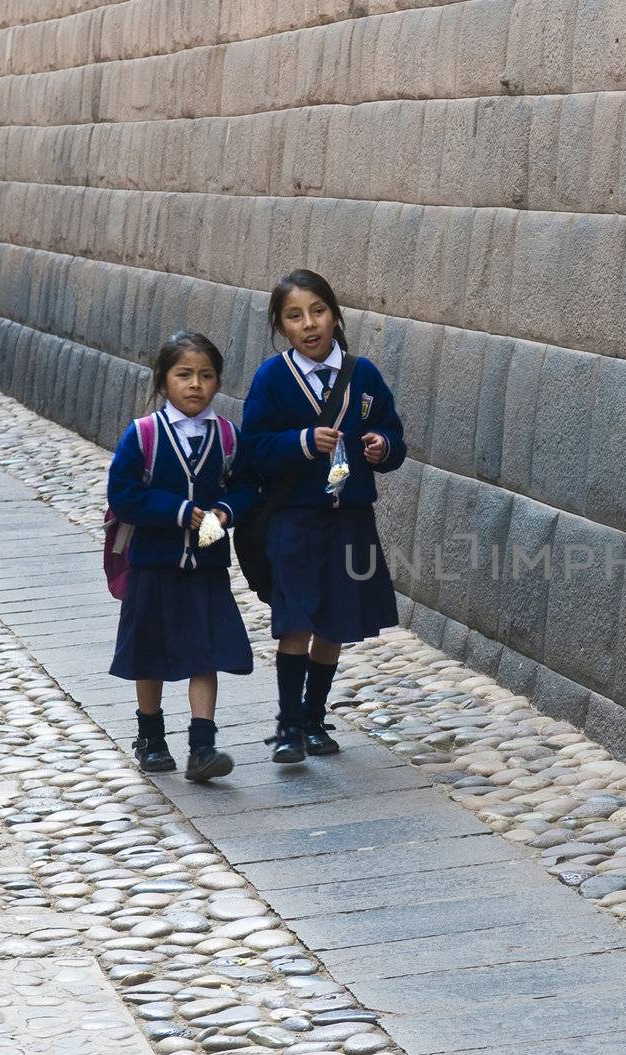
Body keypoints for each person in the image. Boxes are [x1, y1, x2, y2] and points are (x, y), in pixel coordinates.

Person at [241, 270, 407, 763]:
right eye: (295, 316)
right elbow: (253, 448)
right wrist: (300, 442)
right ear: (281, 327)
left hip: (349, 519)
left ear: (335, 315)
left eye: (318, 311)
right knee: (295, 621)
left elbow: (393, 435)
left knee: (334, 622)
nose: (309, 324)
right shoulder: (273, 379)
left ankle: (315, 719)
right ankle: (288, 725)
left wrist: (383, 447)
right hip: (294, 520)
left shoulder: (365, 375)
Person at [107, 331, 256, 781]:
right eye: (184, 375)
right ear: (163, 380)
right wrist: (179, 512)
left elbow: (248, 487)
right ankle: (151, 736)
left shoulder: (227, 437)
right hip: (153, 564)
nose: (196, 385)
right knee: (149, 651)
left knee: (203, 652)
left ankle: (202, 747)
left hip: (206, 569)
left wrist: (226, 511)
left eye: (206, 376)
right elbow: (124, 495)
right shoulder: (144, 435)